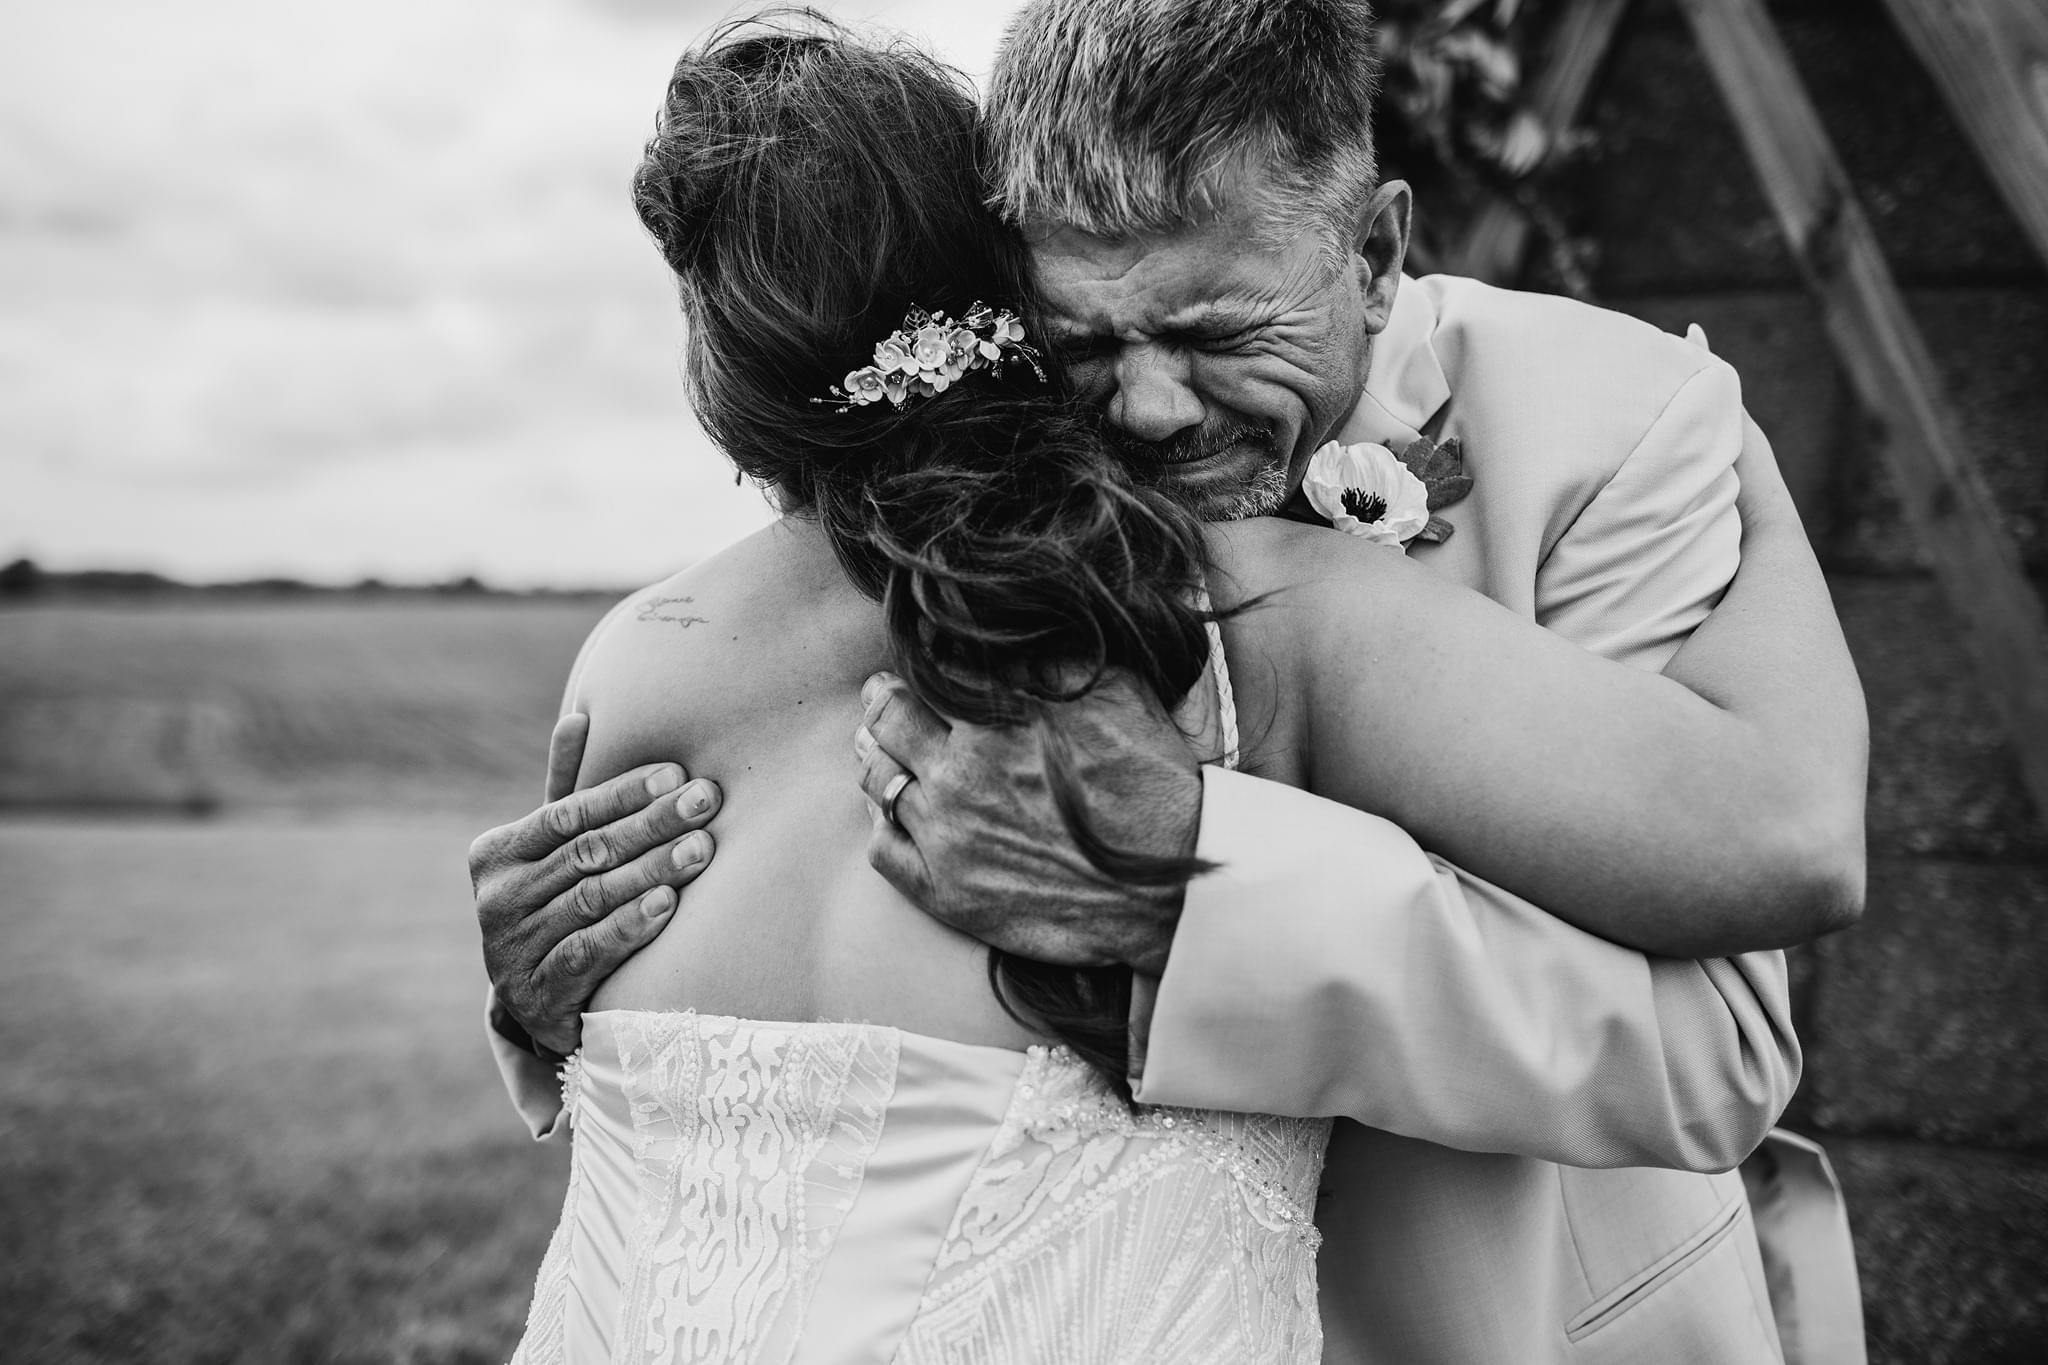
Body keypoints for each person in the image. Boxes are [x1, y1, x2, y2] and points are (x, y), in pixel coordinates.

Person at [475, 5, 1869, 1363]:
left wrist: (1186, 894)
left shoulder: (1601, 430)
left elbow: (1720, 1035)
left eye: (1216, 333)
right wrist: (564, 994)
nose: (1145, 410)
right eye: (1082, 346)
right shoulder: (963, 528)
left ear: (1374, 256)